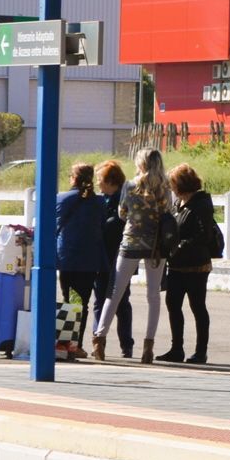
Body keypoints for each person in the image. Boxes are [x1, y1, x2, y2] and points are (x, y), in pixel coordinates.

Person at [91, 148, 172, 364]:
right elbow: (169, 211)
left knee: (115, 291)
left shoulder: (130, 185)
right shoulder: (165, 186)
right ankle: (148, 346)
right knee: (153, 296)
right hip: (156, 245)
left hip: (131, 241)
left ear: (141, 163)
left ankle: (99, 339)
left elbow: (121, 213)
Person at [160, 164, 219, 364]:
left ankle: (200, 352)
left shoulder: (200, 205)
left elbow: (203, 236)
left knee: (197, 306)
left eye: (173, 184)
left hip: (196, 265)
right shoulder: (180, 203)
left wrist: (179, 247)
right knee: (173, 304)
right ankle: (176, 349)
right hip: (177, 265)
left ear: (180, 184)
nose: (171, 188)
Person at [54, 163, 107, 355]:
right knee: (81, 303)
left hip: (67, 257)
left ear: (74, 179)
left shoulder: (62, 199)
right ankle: (76, 344)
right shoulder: (99, 202)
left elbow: (55, 226)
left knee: (69, 300)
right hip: (89, 259)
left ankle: (65, 343)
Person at [92, 159, 134, 358]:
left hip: (119, 258)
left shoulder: (123, 201)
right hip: (101, 258)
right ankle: (98, 341)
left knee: (121, 302)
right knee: (100, 300)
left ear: (111, 181)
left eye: (100, 179)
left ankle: (127, 344)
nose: (97, 183)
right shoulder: (101, 200)